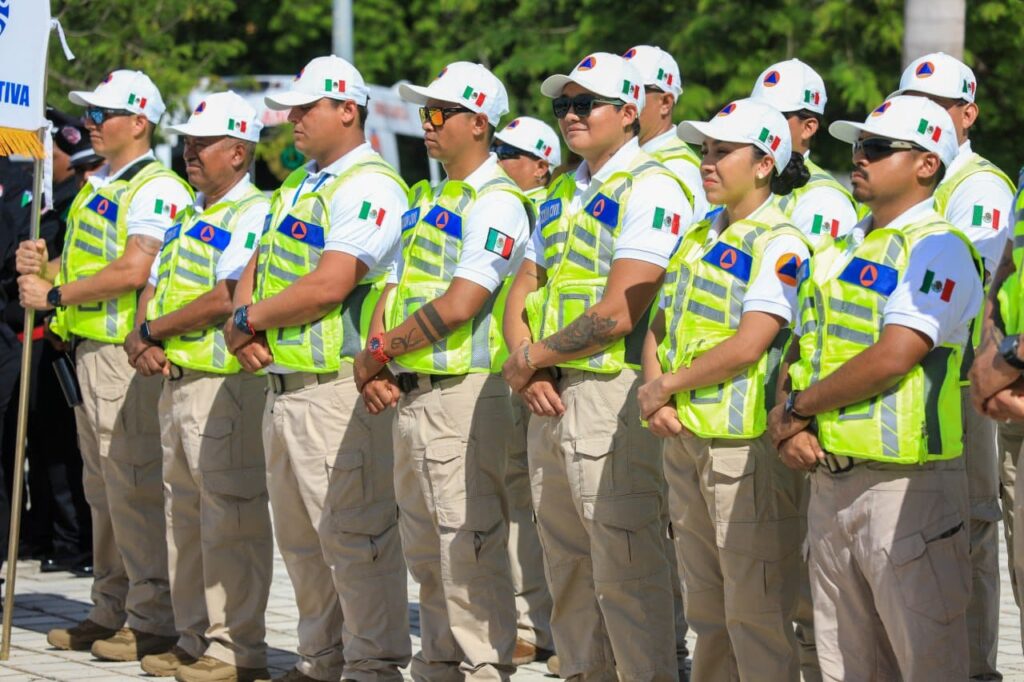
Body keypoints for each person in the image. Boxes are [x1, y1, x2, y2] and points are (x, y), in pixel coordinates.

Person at [769, 95, 982, 680]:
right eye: (857, 146)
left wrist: (796, 409)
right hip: (830, 481)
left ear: (926, 165)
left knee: (925, 662)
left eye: (878, 147)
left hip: (907, 489)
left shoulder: (939, 246)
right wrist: (785, 422)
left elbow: (896, 355)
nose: (858, 157)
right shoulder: (843, 248)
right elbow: (802, 344)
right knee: (844, 666)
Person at [223, 56, 411, 682]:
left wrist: (249, 320)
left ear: (347, 111)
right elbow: (257, 260)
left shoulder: (370, 184)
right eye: (292, 108)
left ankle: (374, 666)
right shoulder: (303, 181)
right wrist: (242, 320)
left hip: (336, 392)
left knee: (355, 543)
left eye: (307, 109)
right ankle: (320, 662)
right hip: (286, 390)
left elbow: (332, 284)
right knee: (303, 546)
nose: (292, 119)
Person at [501, 52, 686, 681]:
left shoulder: (653, 185)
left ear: (629, 114)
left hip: (613, 394)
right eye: (563, 106)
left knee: (626, 564)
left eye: (586, 105)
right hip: (551, 392)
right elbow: (525, 285)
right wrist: (529, 367)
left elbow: (622, 310)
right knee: (567, 564)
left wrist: (532, 358)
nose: (571, 117)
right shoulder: (561, 191)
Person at [352, 60, 530, 681]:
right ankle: (440, 667)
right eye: (425, 113)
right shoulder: (430, 195)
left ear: (478, 123)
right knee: (428, 554)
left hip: (465, 398)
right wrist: (377, 357)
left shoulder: (499, 200)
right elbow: (393, 284)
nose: (426, 125)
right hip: (412, 394)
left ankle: (484, 669)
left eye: (438, 113)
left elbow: (462, 303)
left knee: (469, 551)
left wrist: (377, 354)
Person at [17, 69, 192, 660]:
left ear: (139, 122)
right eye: (90, 112)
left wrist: (57, 295)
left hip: (125, 360)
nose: (90, 121)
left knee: (137, 488)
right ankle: (110, 606)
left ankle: (151, 617)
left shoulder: (156, 187)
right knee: (104, 490)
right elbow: (87, 265)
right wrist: (45, 267)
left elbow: (134, 270)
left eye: (102, 113)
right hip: (88, 354)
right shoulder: (103, 181)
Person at [637, 97, 809, 681]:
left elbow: (749, 344)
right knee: (708, 612)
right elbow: (659, 324)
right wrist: (654, 390)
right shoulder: (696, 236)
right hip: (686, 441)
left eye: (723, 152)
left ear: (764, 165)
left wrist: (664, 388)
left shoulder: (780, 242)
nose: (707, 163)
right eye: (704, 151)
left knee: (755, 613)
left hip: (743, 451)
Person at [122, 91, 273, 682]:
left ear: (238, 152)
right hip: (177, 383)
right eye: (185, 142)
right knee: (184, 520)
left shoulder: (253, 212)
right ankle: (193, 637)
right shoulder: (190, 214)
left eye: (202, 143)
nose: (189, 152)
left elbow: (225, 296)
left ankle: (236, 649)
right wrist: (145, 334)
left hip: (224, 387)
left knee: (229, 521)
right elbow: (155, 280)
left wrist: (151, 329)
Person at [891, 52, 1015, 681]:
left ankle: (973, 671)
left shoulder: (981, 188)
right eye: (910, 99)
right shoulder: (909, 177)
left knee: (963, 532)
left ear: (967, 115)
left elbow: (969, 300)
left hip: (965, 388)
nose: (922, 114)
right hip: (909, 386)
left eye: (936, 105)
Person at [623, 44, 704, 674]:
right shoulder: (624, 169)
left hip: (646, 374)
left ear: (663, 102)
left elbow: (646, 296)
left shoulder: (670, 170)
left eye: (635, 92)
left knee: (645, 539)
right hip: (638, 375)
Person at [491, 114, 558, 666]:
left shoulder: (533, 211)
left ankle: (538, 623)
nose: (498, 159)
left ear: (541, 166)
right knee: (517, 503)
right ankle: (529, 621)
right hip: (513, 371)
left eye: (509, 152)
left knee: (533, 508)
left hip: (539, 375)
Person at [750, 58, 861, 245]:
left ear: (808, 127)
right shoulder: (734, 173)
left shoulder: (826, 200)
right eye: (754, 112)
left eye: (776, 115)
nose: (761, 122)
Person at [625, 44, 708, 223]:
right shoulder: (627, 154)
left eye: (634, 91)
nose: (623, 102)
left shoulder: (679, 167)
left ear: (665, 103)